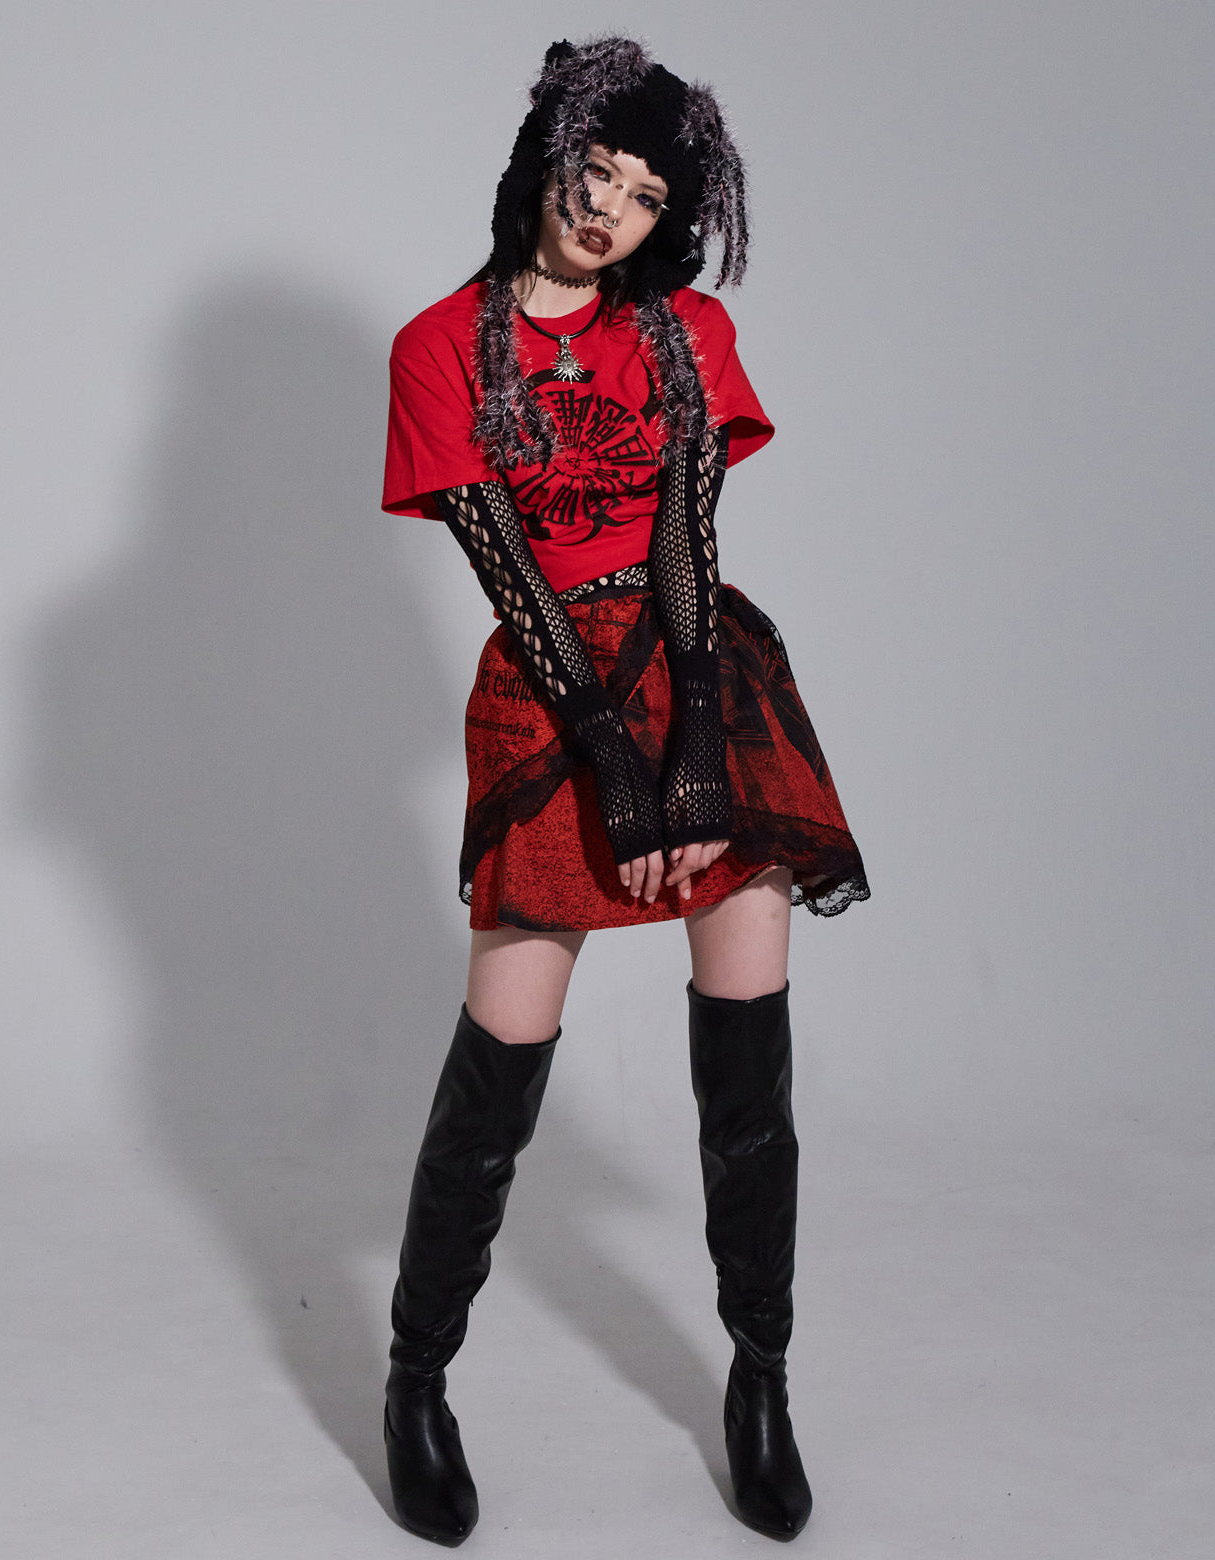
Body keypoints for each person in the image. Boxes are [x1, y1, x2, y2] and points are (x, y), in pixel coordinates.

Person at [379, 35, 868, 1546]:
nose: (609, 210)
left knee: (749, 1061)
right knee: (503, 1057)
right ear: (546, 161)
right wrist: (616, 767)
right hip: (551, 695)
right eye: (594, 171)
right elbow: (510, 571)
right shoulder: (440, 346)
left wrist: (697, 753)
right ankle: (415, 1376)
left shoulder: (685, 336)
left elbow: (685, 545)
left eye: (647, 194)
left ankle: (762, 1377)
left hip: (698, 663)